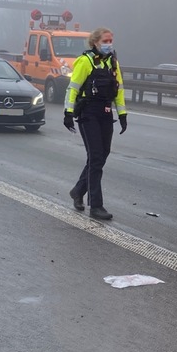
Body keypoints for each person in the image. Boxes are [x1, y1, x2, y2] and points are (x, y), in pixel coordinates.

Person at [63, 26, 127, 221]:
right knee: (96, 156)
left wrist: (122, 114)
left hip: (105, 112)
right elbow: (72, 88)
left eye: (110, 41)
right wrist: (68, 112)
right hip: (88, 112)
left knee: (102, 154)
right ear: (95, 42)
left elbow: (120, 89)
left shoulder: (113, 63)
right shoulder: (86, 61)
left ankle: (78, 190)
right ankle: (96, 205)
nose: (109, 44)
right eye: (105, 41)